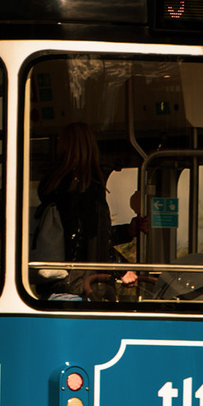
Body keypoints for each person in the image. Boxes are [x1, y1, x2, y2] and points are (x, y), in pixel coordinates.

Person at [34, 121, 141, 300]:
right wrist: (122, 269)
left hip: (52, 287)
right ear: (91, 148)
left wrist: (126, 232)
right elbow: (94, 240)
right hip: (79, 286)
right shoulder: (87, 190)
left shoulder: (53, 189)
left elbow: (76, 236)